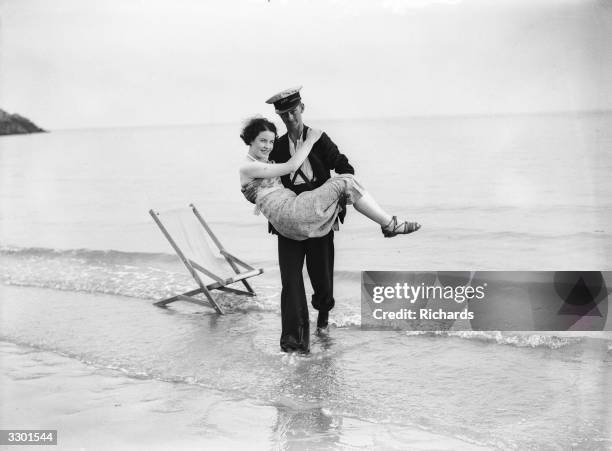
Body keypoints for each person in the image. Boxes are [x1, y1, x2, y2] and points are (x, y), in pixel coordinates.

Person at [239, 115, 421, 353]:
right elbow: (291, 167)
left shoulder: (286, 151)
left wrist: (339, 197)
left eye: (270, 141)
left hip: (310, 212)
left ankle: (321, 322)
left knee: (322, 280)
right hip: (292, 216)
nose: (268, 146)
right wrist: (310, 140)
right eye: (262, 141)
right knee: (291, 284)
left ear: (301, 109)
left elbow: (343, 165)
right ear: (250, 141)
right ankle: (294, 344)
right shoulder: (255, 162)